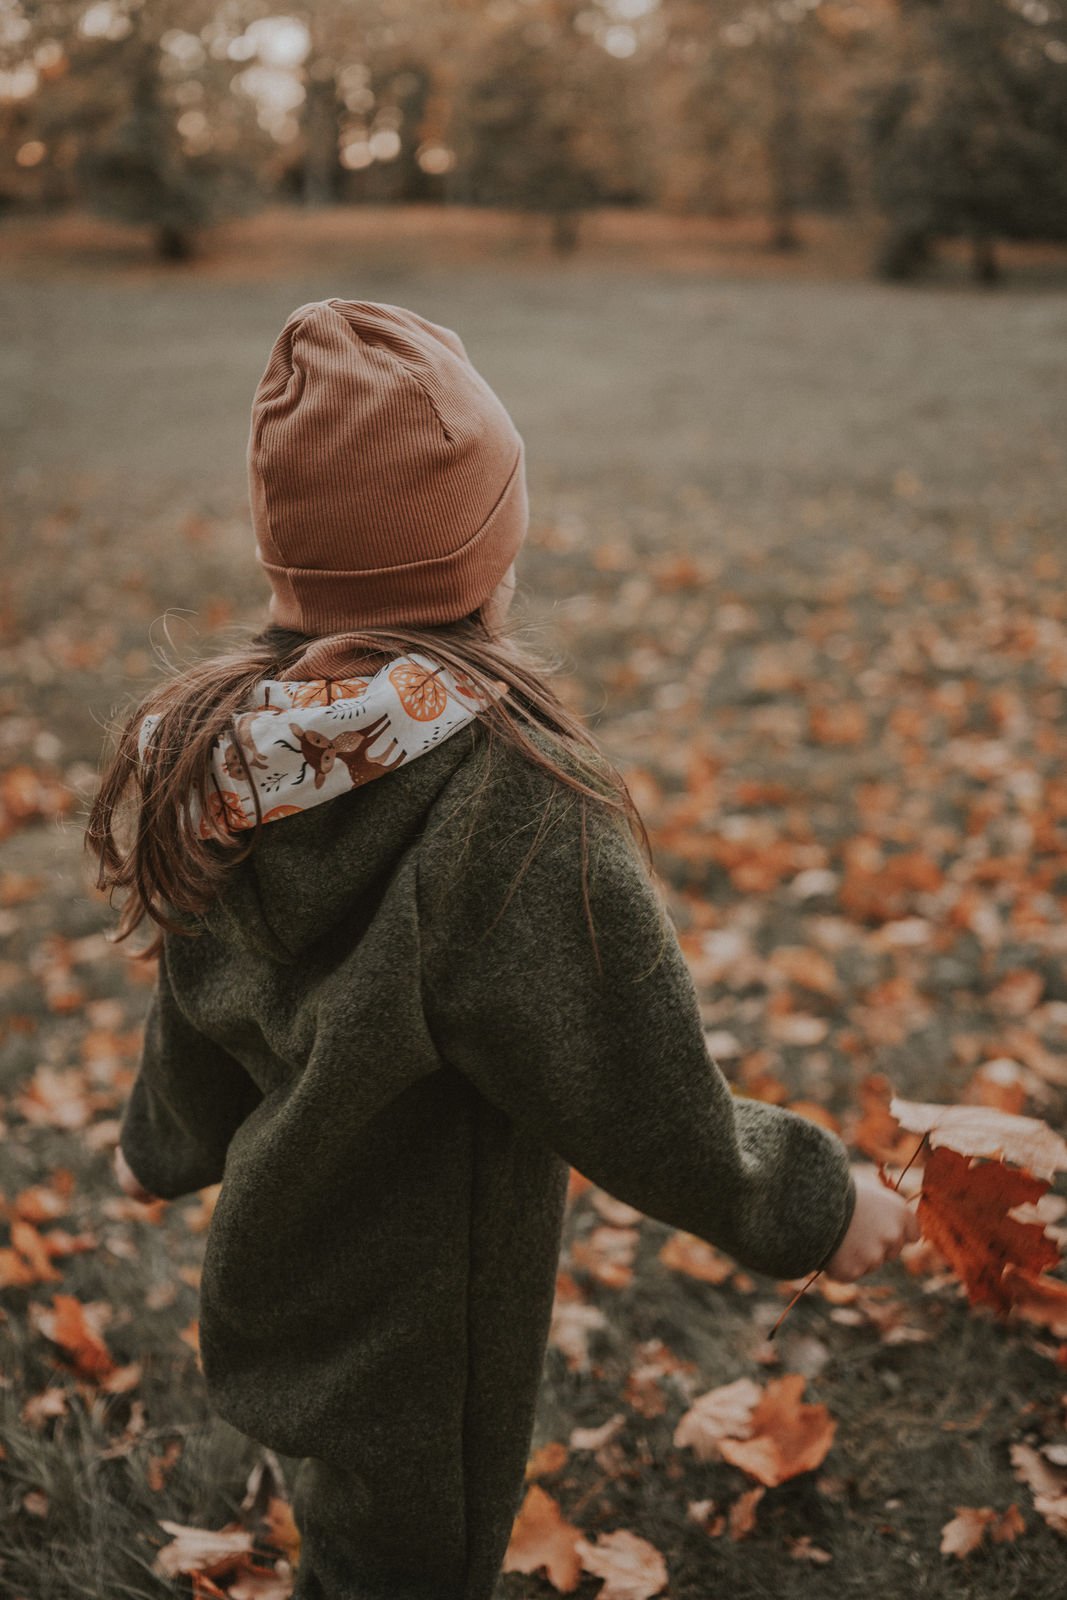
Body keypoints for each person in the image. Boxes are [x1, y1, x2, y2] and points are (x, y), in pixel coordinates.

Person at [87, 299, 917, 1600]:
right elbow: (642, 1090)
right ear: (486, 555)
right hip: (427, 1341)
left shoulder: (235, 754)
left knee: (352, 1539)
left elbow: (204, 988)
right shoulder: (506, 805)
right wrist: (820, 1203)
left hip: (280, 1280)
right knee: (408, 1571)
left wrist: (160, 1139)